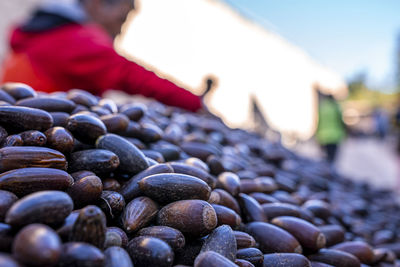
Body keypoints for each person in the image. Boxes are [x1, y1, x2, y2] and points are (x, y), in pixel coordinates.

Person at [1, 0, 202, 112]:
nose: (122, 31)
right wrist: (195, 103)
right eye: (122, 20)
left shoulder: (51, 25)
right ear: (98, 4)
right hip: (19, 120)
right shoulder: (79, 42)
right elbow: (135, 76)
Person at [316, 92, 346, 163]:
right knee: (332, 157)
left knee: (326, 156)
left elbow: (318, 122)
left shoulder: (322, 108)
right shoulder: (336, 107)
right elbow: (341, 121)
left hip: (323, 136)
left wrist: (317, 136)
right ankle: (331, 171)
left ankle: (326, 169)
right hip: (335, 136)